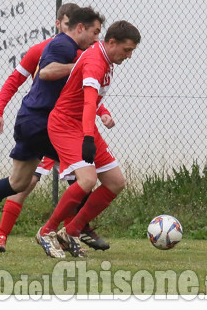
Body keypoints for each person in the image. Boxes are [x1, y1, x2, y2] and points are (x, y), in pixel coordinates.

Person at [0, 7, 106, 254]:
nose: (98, 39)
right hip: (44, 122)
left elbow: (81, 90)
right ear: (75, 26)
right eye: (95, 32)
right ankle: (70, 231)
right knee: (84, 172)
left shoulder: (78, 50)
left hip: (31, 120)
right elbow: (46, 72)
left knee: (18, 182)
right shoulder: (61, 46)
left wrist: (100, 109)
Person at [37, 20, 140, 258]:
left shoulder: (104, 55)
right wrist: (87, 138)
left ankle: (70, 231)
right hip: (65, 124)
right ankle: (46, 231)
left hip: (82, 125)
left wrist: (99, 118)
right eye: (127, 50)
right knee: (87, 180)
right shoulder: (95, 62)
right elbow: (88, 102)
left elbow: (93, 102)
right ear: (111, 42)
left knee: (115, 182)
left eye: (132, 50)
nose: (129, 55)